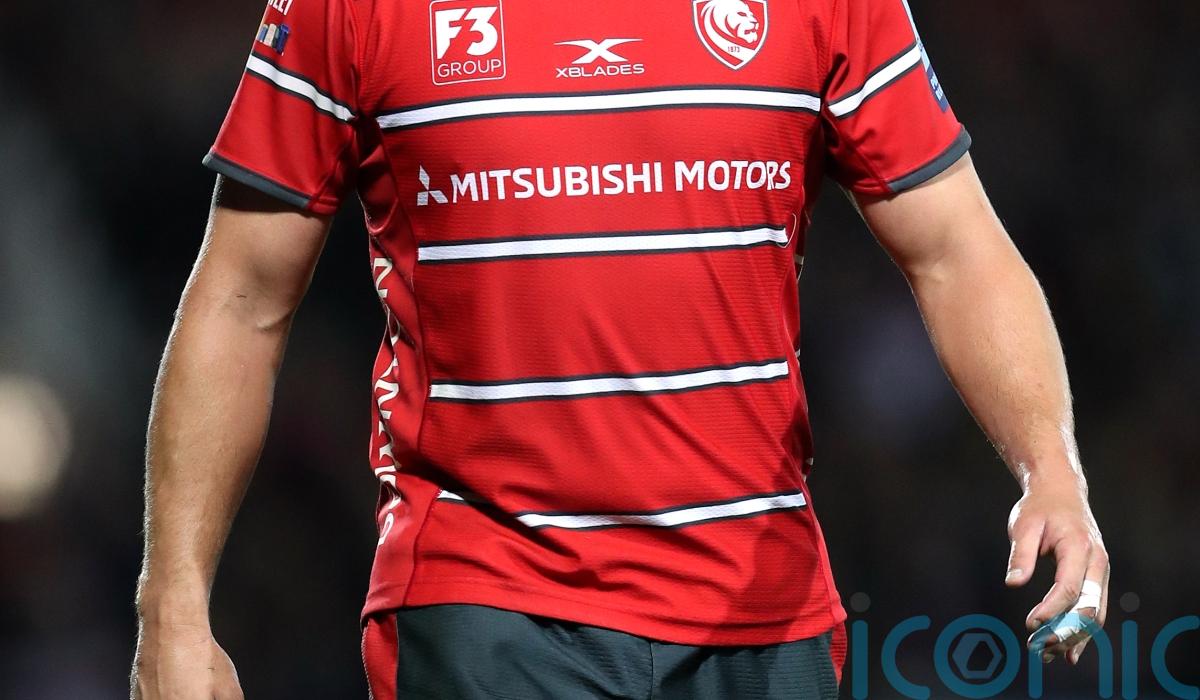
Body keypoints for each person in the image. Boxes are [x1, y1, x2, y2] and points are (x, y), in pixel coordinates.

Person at [131, 0, 1110, 696]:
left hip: (763, 612)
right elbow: (241, 297)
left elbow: (957, 248)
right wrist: (172, 603)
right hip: (490, 605)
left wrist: (1052, 470)